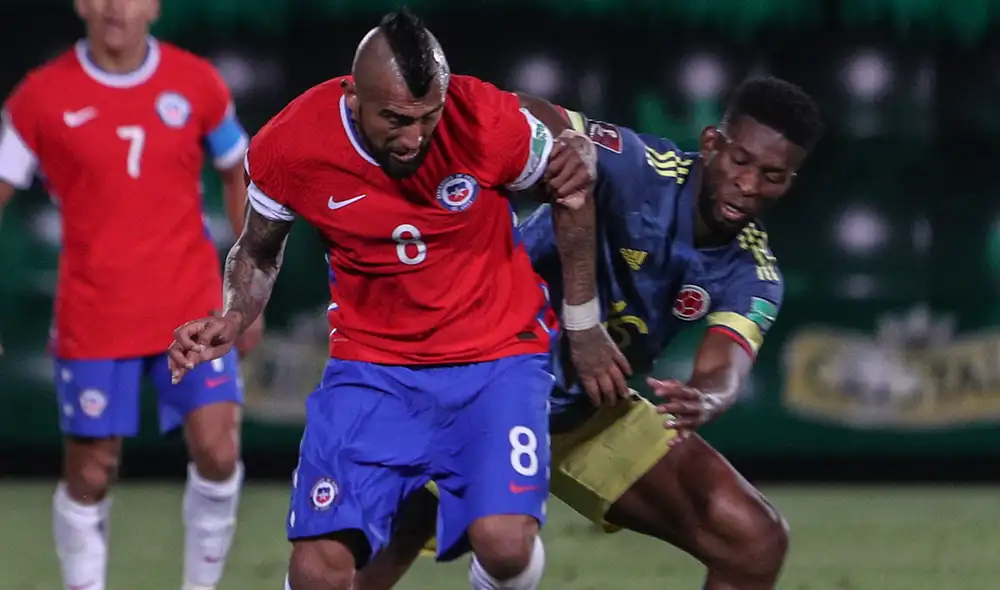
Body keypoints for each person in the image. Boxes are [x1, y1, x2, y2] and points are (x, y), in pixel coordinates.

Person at [167, 8, 629, 590]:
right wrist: (233, 314)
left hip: (495, 360)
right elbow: (256, 252)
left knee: (506, 546)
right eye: (395, 119)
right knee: (316, 573)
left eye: (427, 118)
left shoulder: (481, 118)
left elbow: (572, 186)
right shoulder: (292, 145)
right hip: (374, 369)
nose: (414, 138)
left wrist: (583, 323)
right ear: (354, 96)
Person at [355, 76, 824, 590]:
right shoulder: (642, 169)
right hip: (476, 383)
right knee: (388, 540)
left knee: (755, 540)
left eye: (772, 176)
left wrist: (706, 400)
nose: (750, 185)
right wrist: (520, 128)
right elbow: (534, 114)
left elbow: (723, 367)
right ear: (712, 144)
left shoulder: (754, 272)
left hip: (588, 411)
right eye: (741, 162)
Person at [0, 1, 261, 589]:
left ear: (156, 6)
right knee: (93, 472)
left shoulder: (196, 83)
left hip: (191, 305)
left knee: (218, 452)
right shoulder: (40, 97)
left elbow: (236, 170)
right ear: (80, 4)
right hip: (96, 313)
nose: (117, 6)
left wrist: (244, 293)